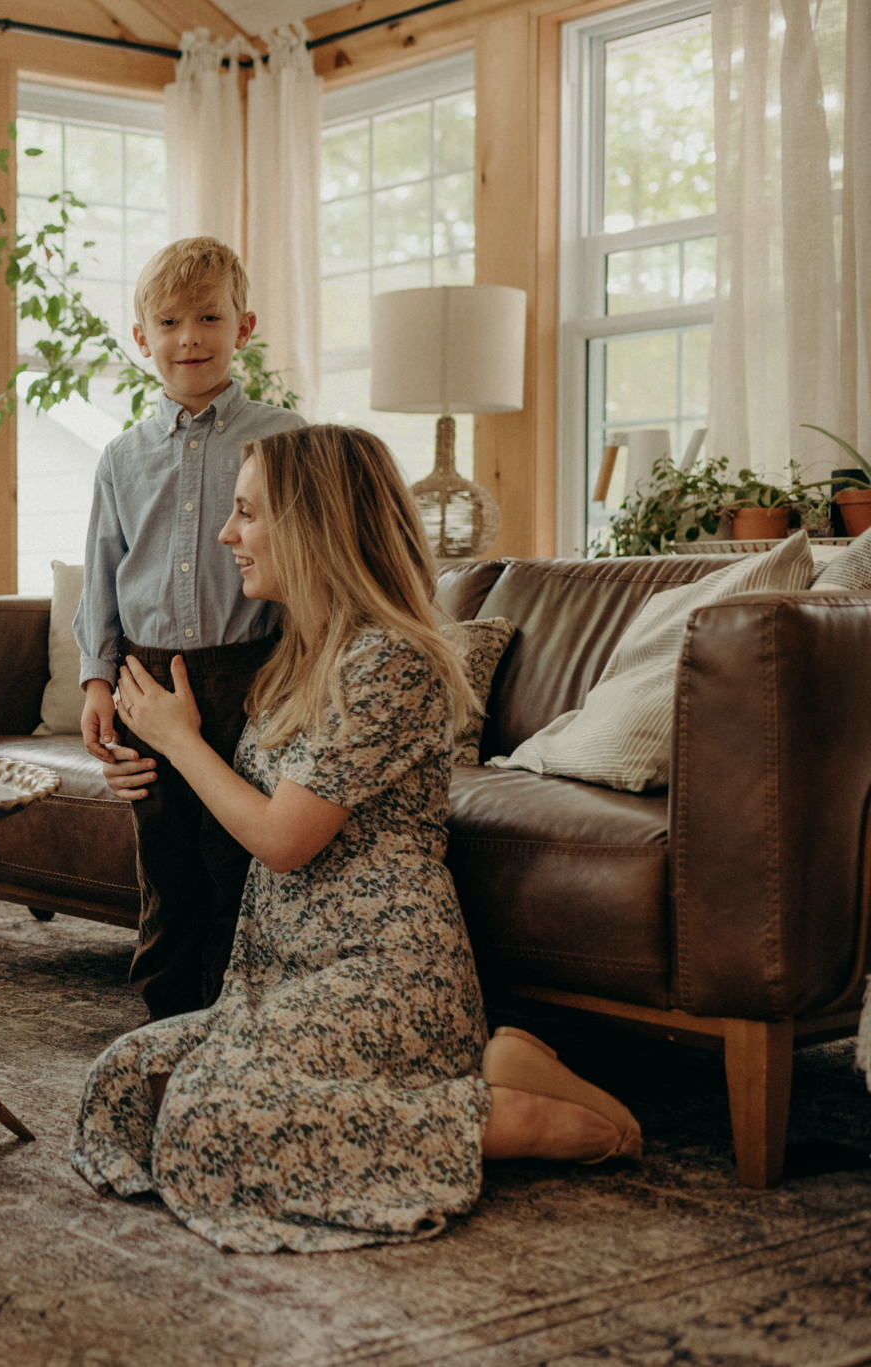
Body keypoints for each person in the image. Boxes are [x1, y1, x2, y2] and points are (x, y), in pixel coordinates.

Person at [69, 424, 644, 1253]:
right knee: (121, 1086)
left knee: (202, 1123)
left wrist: (184, 739)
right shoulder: (294, 657)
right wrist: (153, 755)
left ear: (314, 525)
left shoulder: (392, 660)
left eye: (246, 515)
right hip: (282, 975)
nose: (228, 535)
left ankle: (513, 1119)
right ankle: (492, 1080)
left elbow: (282, 838)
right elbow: (232, 798)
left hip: (383, 976)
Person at [76, 236, 308, 1021]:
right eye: (169, 322)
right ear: (142, 338)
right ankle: (167, 1017)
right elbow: (100, 580)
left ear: (243, 326)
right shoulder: (120, 458)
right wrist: (99, 682)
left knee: (235, 856)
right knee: (166, 857)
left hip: (251, 673)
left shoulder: (285, 439)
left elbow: (308, 569)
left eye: (209, 317)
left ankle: (237, 1013)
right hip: (145, 678)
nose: (190, 338)